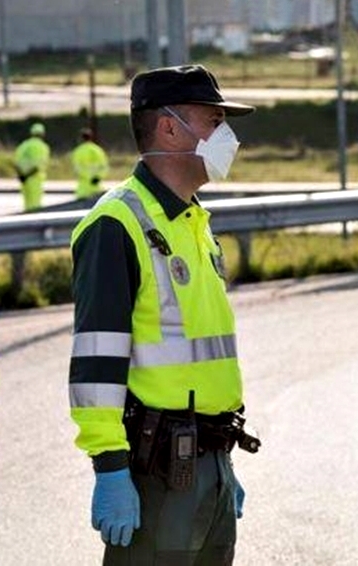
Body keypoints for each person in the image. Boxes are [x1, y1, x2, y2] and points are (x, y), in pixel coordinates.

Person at [69, 64, 260, 564]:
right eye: (214, 120)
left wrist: (219, 460)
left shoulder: (192, 220)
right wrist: (109, 467)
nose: (227, 135)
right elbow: (96, 361)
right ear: (170, 127)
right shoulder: (117, 224)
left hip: (209, 460)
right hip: (156, 473)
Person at [14, 122, 50, 211]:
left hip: (24, 179)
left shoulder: (24, 145)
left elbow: (16, 161)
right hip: (35, 179)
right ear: (42, 134)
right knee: (35, 206)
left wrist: (22, 175)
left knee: (27, 205)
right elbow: (39, 165)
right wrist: (27, 175)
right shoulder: (42, 146)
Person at [71, 127, 110, 200]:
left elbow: (77, 168)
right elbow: (104, 166)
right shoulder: (98, 150)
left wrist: (88, 177)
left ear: (81, 138)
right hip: (96, 189)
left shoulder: (78, 151)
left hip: (83, 190)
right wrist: (98, 177)